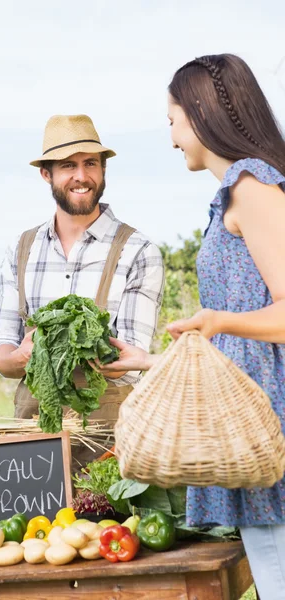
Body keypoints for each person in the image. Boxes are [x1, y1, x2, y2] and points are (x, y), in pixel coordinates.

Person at [94, 54, 285, 600]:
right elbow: (243, 343)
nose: (172, 136)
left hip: (271, 424)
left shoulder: (253, 186)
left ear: (200, 116)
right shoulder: (239, 191)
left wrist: (216, 320)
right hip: (255, 416)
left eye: (173, 119)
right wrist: (149, 361)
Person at [0, 114, 164, 460]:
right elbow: (2, 353)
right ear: (46, 174)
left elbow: (129, 359)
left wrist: (70, 342)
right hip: (33, 437)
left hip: (109, 439)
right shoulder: (22, 249)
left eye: (91, 164)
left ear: (103, 171)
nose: (81, 176)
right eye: (68, 165)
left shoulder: (138, 251)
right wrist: (24, 356)